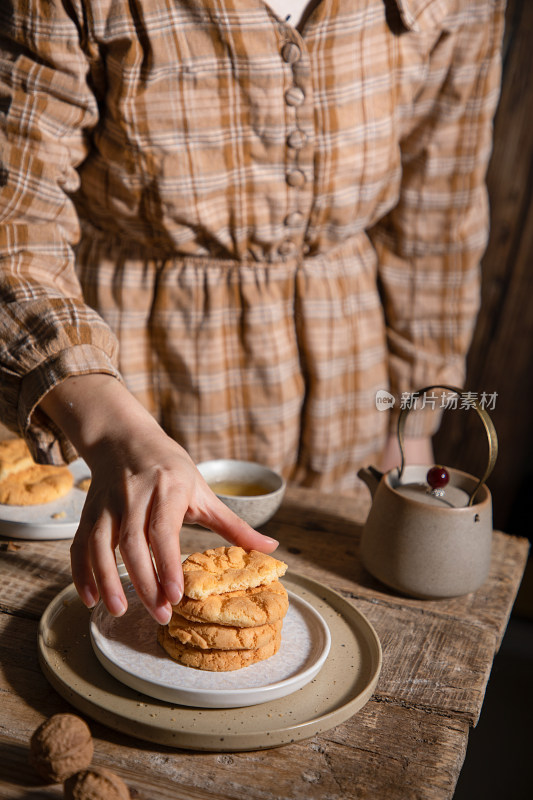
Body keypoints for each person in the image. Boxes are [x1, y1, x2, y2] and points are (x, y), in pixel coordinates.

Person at [0, 0, 505, 624]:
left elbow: (439, 214)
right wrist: (111, 430)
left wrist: (415, 419)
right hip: (133, 391)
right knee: (128, 635)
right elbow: (14, 225)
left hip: (349, 393)